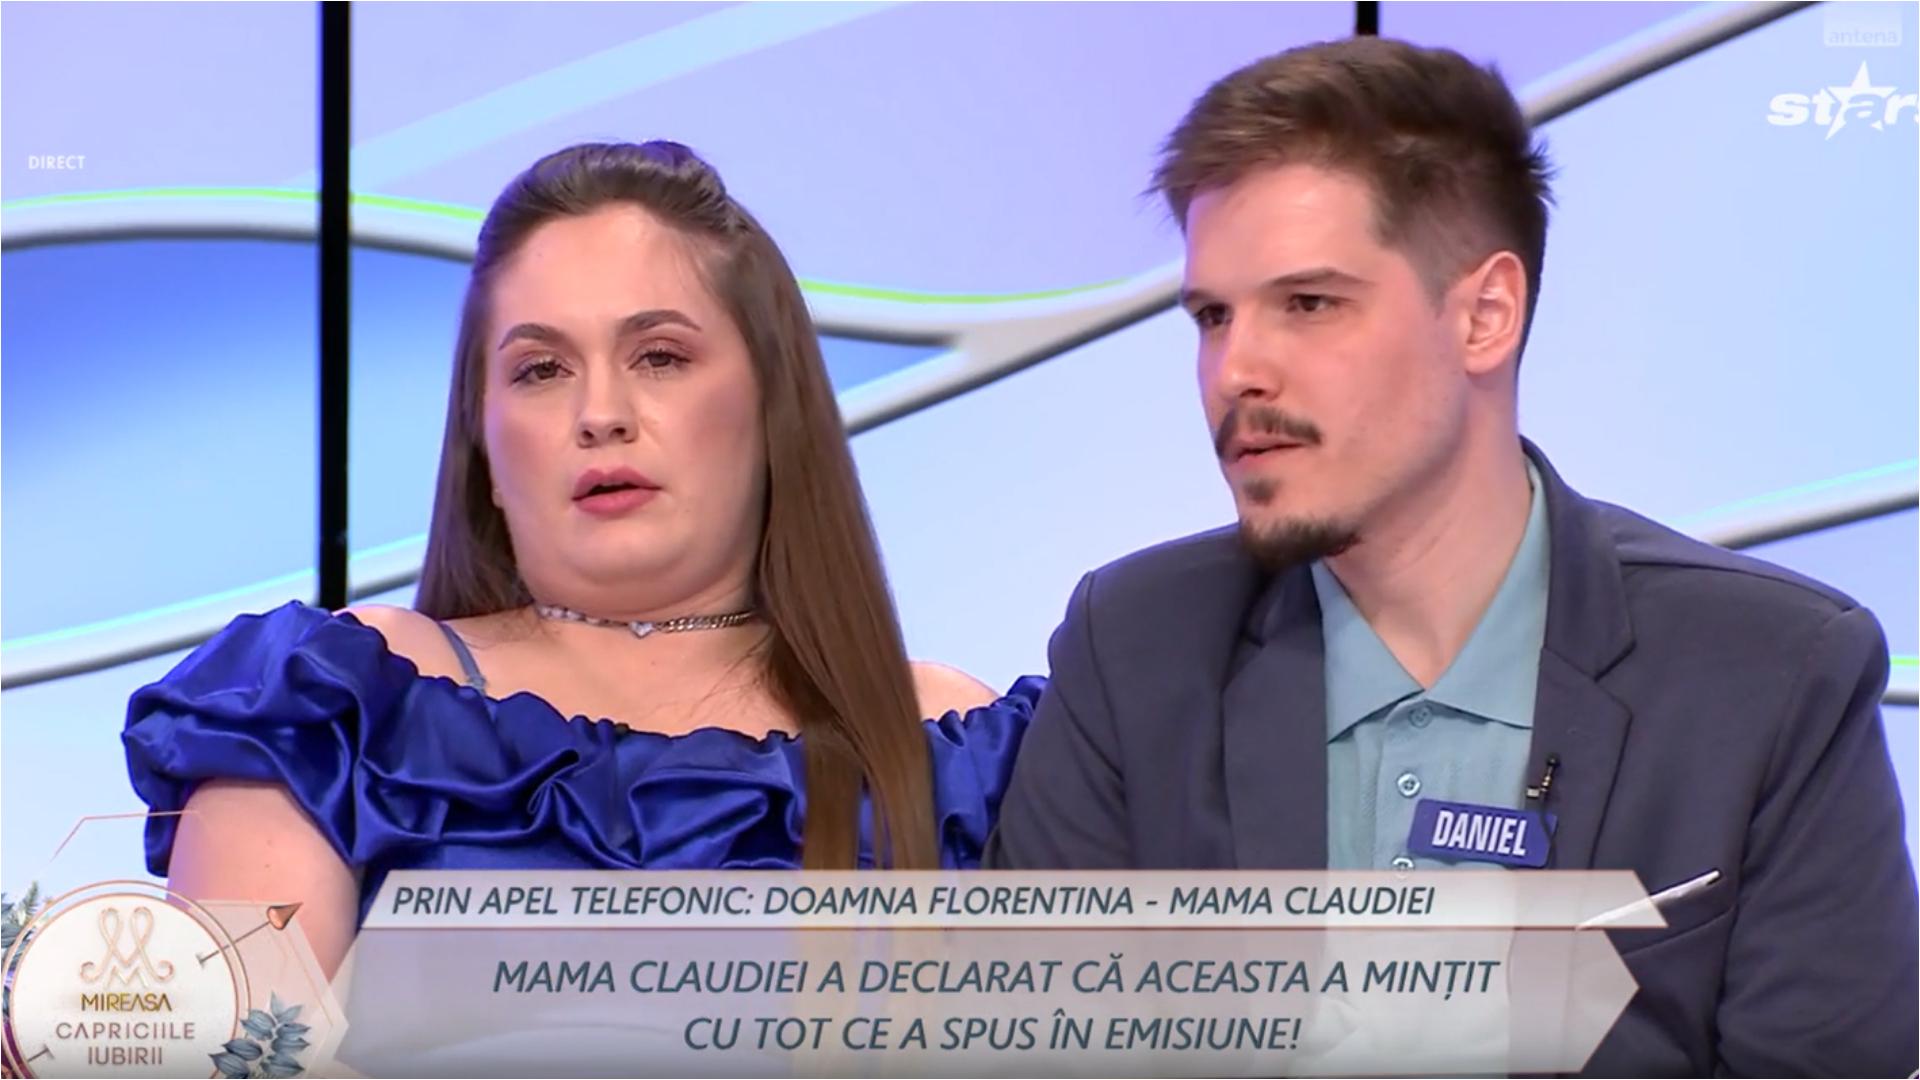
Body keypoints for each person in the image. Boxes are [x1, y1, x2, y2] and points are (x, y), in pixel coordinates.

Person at [984, 37, 1917, 1076]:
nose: (1235, 369)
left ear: (1484, 315)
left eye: (1308, 304)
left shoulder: (1773, 674)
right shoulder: (1135, 646)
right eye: (1212, 316)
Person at [124, 141, 1041, 981]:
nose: (601, 414)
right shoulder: (332, 705)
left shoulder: (951, 746)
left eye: (660, 357)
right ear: (483, 448)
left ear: (774, 410)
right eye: (541, 370)